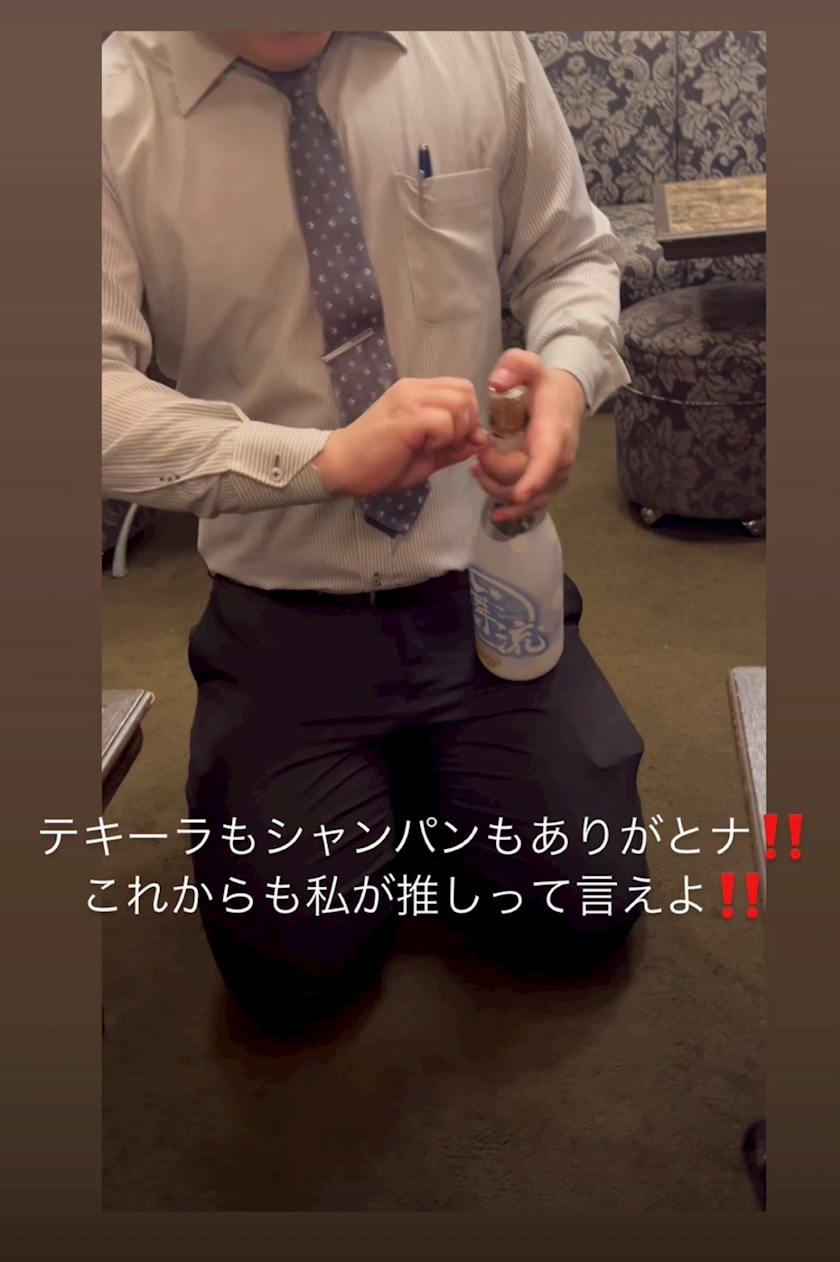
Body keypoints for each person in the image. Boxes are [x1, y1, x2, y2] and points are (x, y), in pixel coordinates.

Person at [102, 30, 648, 1034]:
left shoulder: (476, 41)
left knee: (583, 905)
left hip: (483, 582)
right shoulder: (103, 106)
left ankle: (432, 787)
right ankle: (400, 796)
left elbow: (571, 254)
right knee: (287, 969)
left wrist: (567, 379)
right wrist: (322, 461)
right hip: (280, 611)